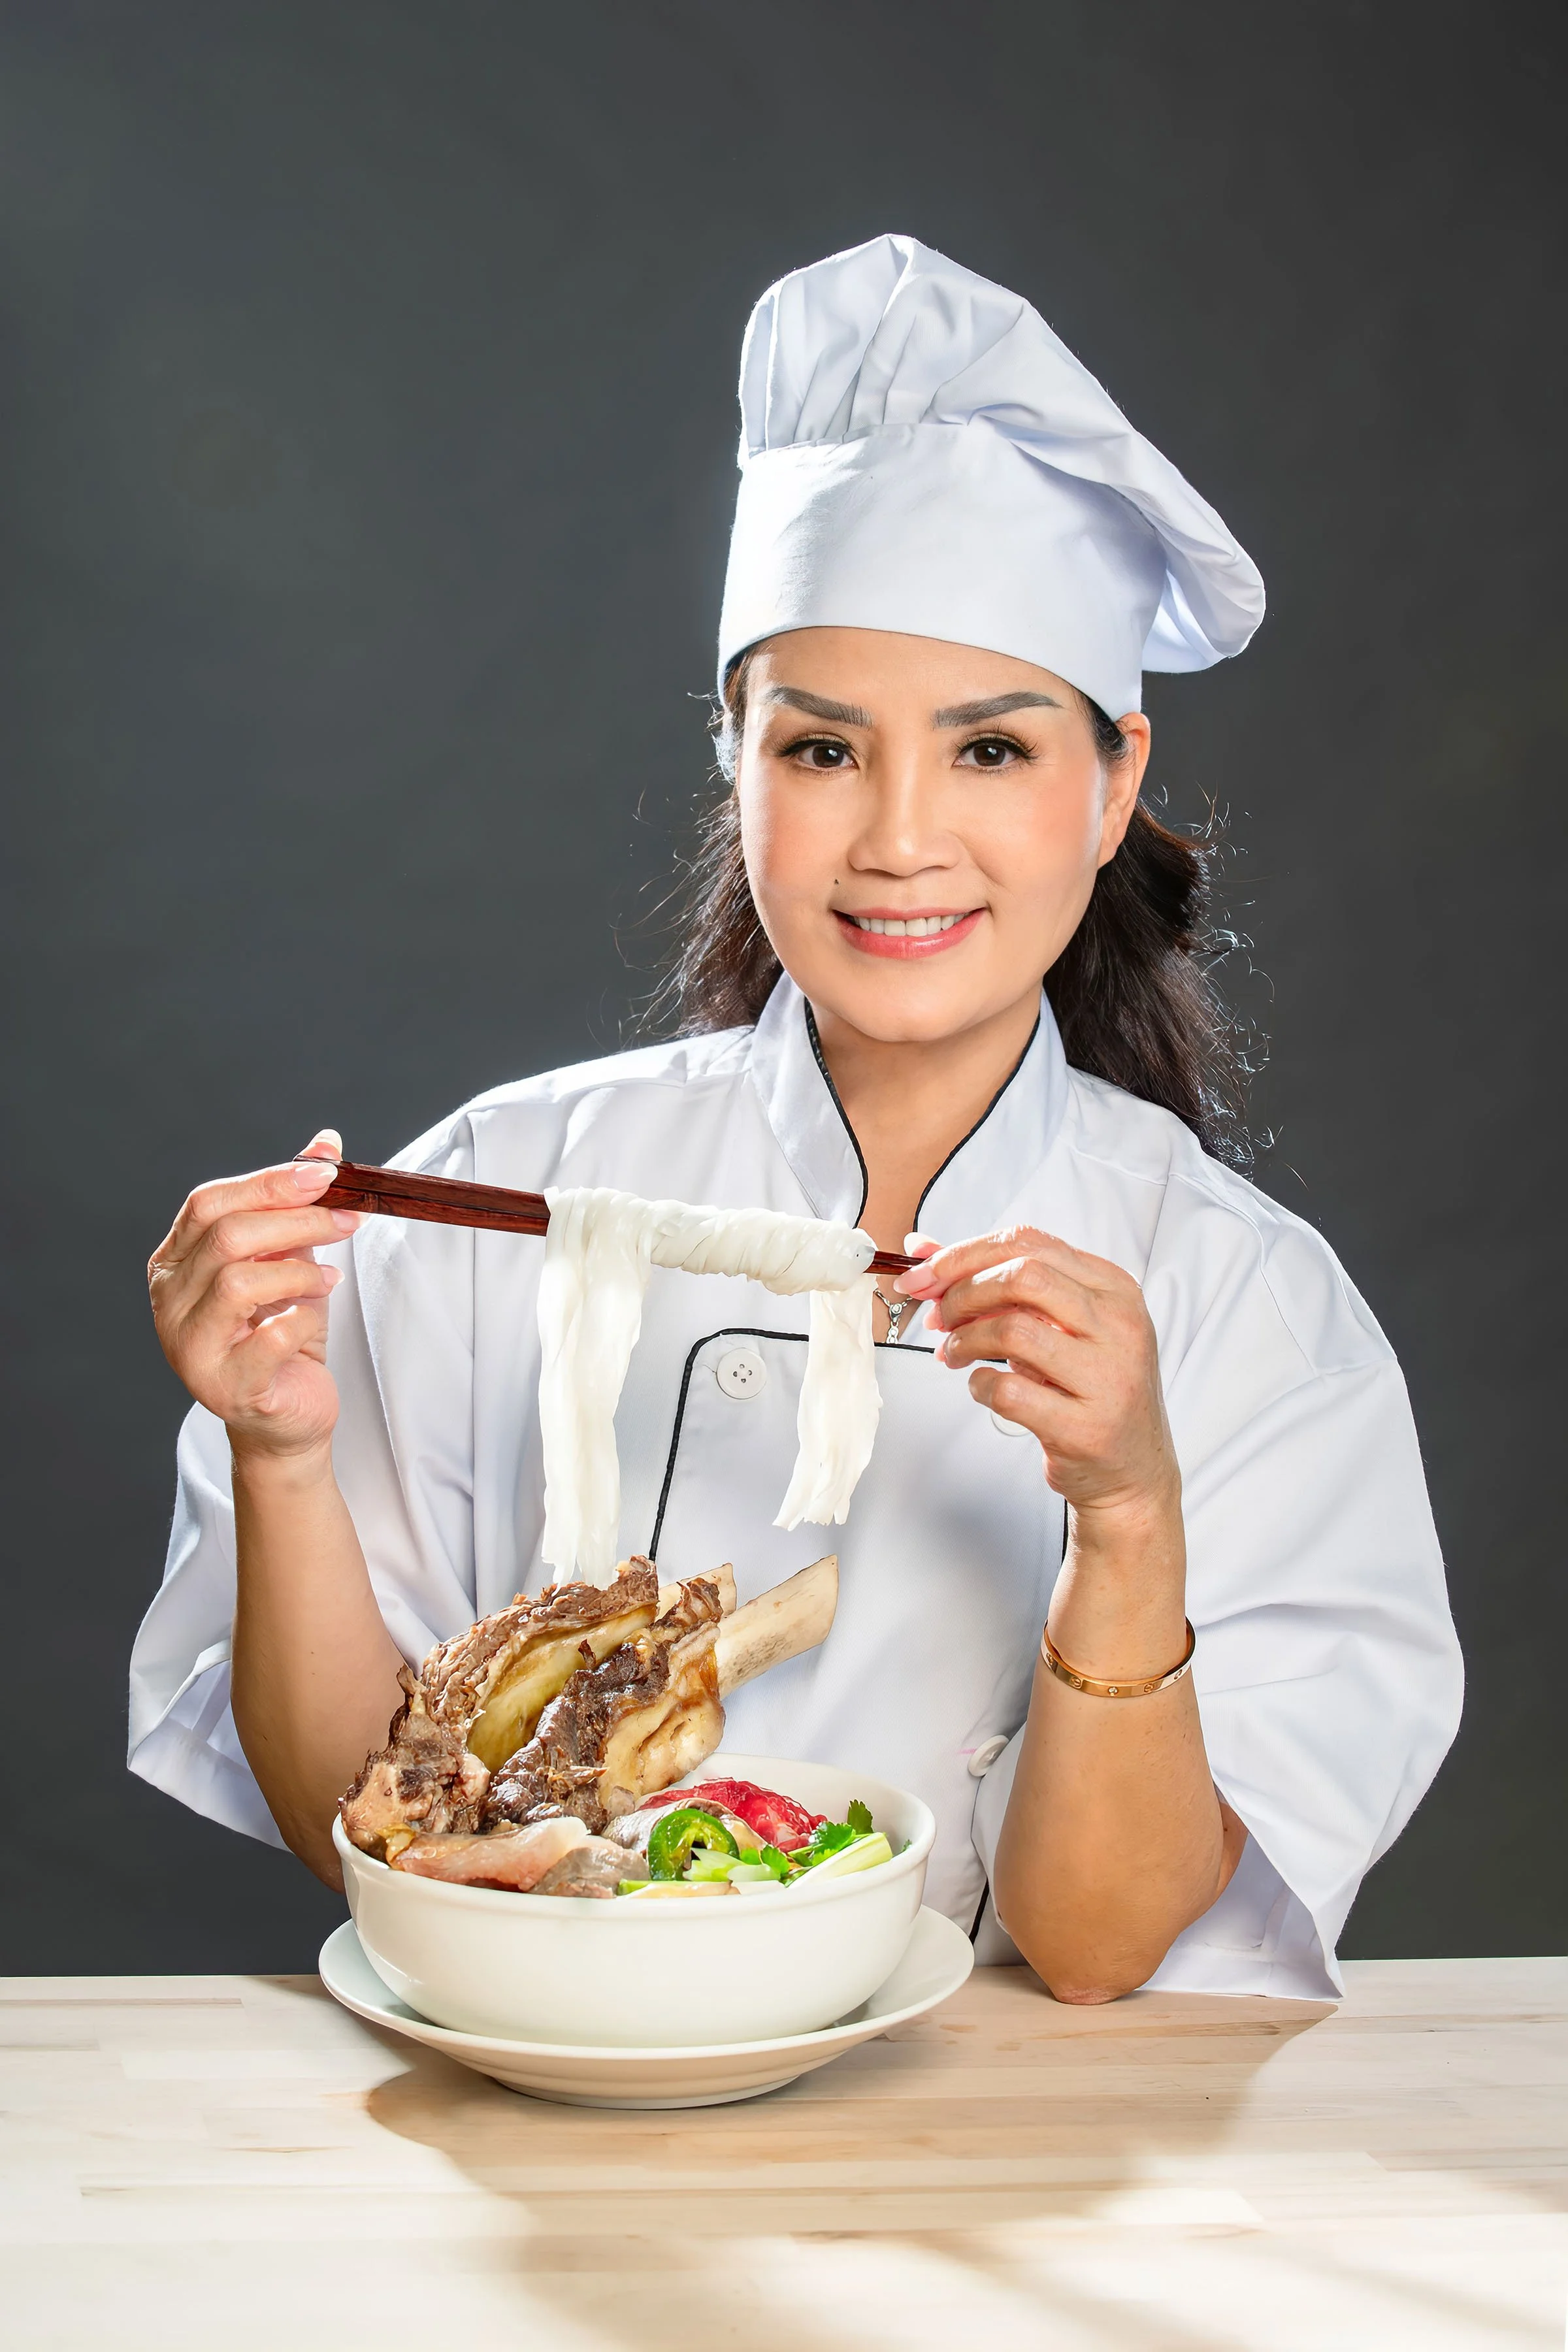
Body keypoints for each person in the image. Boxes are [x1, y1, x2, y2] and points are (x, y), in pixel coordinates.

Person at [134, 236, 1460, 2003]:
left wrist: (1129, 1513)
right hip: (539, 2120)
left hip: (987, 2180)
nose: (900, 837)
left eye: (990, 750)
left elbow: (1095, 1950)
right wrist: (280, 1449)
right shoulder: (486, 1192)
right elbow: (366, 1820)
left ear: (1115, 777)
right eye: (822, 749)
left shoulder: (1245, 1311)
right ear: (734, 753)